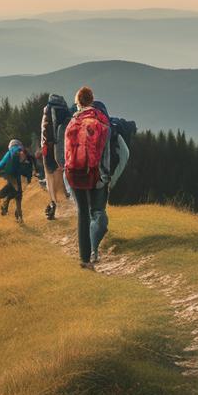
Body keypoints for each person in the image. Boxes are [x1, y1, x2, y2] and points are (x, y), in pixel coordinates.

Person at [63, 86, 114, 270]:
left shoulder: (72, 122)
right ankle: (93, 252)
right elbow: (105, 154)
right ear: (92, 100)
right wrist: (105, 176)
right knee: (95, 212)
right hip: (93, 173)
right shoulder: (102, 122)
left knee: (82, 213)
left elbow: (67, 153)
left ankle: (84, 259)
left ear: (78, 102)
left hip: (73, 173)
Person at [87, 100, 129, 263]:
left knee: (88, 214)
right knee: (98, 214)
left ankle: (90, 249)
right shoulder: (112, 129)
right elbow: (125, 154)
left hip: (80, 178)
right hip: (102, 180)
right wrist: (113, 179)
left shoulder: (78, 125)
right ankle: (93, 250)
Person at [39, 94, 73, 220]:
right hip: (64, 147)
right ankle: (68, 197)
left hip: (48, 148)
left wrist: (45, 146)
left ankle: (53, 203)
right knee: (62, 171)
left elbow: (45, 132)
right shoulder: (66, 112)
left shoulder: (48, 111)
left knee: (50, 176)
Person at [0, 139, 33, 222]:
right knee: (18, 196)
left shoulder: (11, 152)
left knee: (5, 194)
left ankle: (5, 203)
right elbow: (30, 165)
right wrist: (29, 177)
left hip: (12, 176)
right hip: (21, 177)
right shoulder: (24, 152)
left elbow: (2, 163)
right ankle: (19, 216)